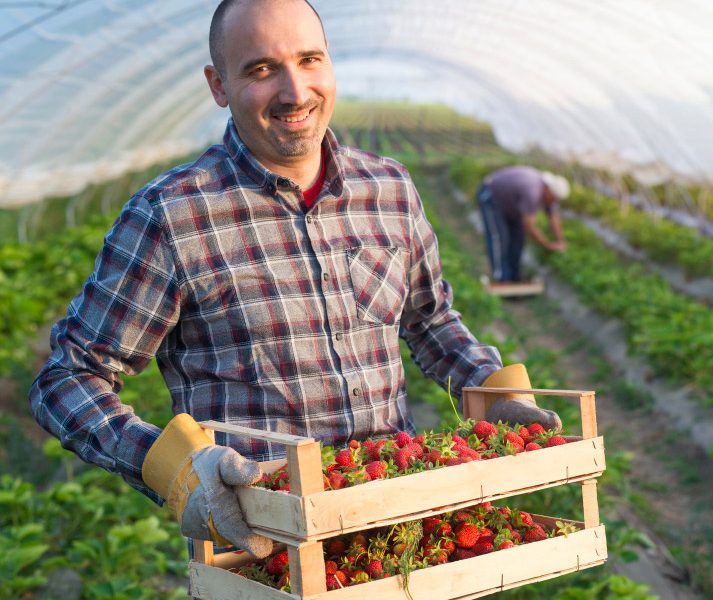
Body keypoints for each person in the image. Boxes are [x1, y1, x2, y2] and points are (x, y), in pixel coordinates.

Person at [28, 0, 559, 560]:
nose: (295, 91)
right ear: (218, 85)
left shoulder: (389, 190)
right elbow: (69, 378)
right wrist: (177, 469)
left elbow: (428, 319)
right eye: (261, 69)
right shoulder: (172, 216)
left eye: (309, 60)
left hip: (400, 538)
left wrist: (494, 389)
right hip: (265, 553)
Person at [477, 165, 569, 283]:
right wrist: (547, 245)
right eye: (554, 198)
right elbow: (530, 226)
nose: (553, 202)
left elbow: (553, 217)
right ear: (548, 190)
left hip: (511, 206)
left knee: (518, 239)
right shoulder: (532, 191)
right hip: (491, 197)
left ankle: (514, 276)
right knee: (499, 238)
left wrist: (560, 241)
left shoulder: (548, 193)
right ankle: (501, 278)